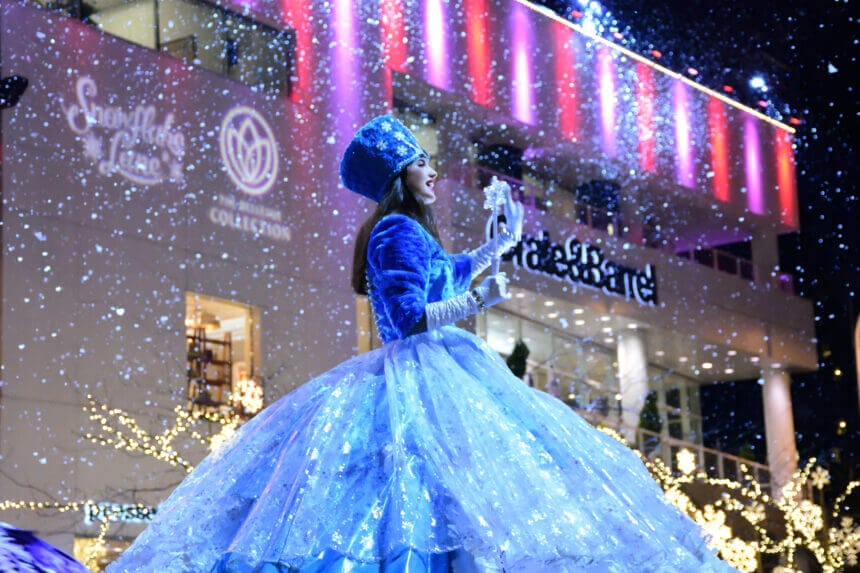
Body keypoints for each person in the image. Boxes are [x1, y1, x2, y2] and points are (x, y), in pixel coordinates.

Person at [107, 115, 735, 572]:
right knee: (417, 487)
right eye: (423, 164)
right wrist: (477, 302)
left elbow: (442, 270)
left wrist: (493, 250)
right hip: (419, 369)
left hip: (435, 368)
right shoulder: (394, 232)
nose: (433, 173)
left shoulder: (404, 230)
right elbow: (408, 316)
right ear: (400, 176)